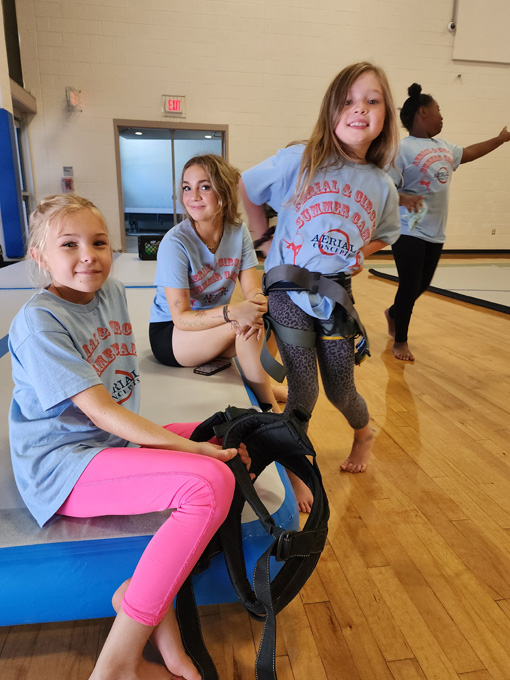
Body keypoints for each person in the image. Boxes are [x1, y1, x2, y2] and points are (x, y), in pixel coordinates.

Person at [8, 194, 251, 680]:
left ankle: (136, 596)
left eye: (98, 242)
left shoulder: (113, 292)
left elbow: (117, 409)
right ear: (39, 256)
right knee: (207, 484)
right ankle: (117, 661)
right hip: (63, 464)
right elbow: (99, 410)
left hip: (107, 446)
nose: (88, 256)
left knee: (228, 435)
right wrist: (186, 450)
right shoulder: (39, 322)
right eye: (69, 245)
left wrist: (195, 443)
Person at [239, 62, 401, 497]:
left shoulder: (381, 183)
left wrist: (360, 254)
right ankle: (294, 463)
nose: (359, 109)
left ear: (386, 115)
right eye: (348, 101)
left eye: (372, 101)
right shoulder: (300, 159)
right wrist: (263, 239)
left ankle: (363, 433)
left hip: (335, 294)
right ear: (331, 110)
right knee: (304, 388)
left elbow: (386, 234)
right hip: (288, 288)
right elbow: (246, 186)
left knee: (341, 389)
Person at [149, 154, 285, 410]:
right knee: (240, 323)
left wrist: (258, 302)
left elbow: (252, 287)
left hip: (214, 329)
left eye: (204, 186)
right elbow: (180, 318)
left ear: (223, 192)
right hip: (172, 335)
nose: (193, 196)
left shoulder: (238, 231)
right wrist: (232, 312)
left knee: (274, 317)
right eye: (187, 187)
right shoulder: (175, 243)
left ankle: (261, 384)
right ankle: (271, 410)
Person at [385, 83, 510, 361]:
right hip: (408, 229)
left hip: (435, 231)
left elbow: (470, 152)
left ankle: (394, 313)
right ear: (423, 112)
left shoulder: (444, 147)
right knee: (409, 284)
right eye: (438, 110)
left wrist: (500, 139)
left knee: (421, 285)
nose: (442, 116)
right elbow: (384, 188)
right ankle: (401, 342)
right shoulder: (401, 149)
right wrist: (403, 197)